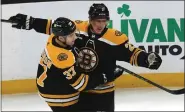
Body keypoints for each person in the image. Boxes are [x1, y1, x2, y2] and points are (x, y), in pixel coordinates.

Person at [8, 3, 162, 112]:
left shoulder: (115, 37)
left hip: (103, 89)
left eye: (104, 21)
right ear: (90, 19)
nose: (100, 25)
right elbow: (53, 26)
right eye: (97, 21)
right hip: (82, 87)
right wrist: (32, 22)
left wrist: (147, 59)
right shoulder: (77, 29)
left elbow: (132, 53)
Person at [25, 17, 124, 112]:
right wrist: (106, 77)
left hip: (49, 85)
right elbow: (81, 84)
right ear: (61, 38)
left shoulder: (53, 38)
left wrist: (33, 22)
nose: (75, 37)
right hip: (59, 96)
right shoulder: (62, 57)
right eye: (71, 35)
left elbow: (52, 27)